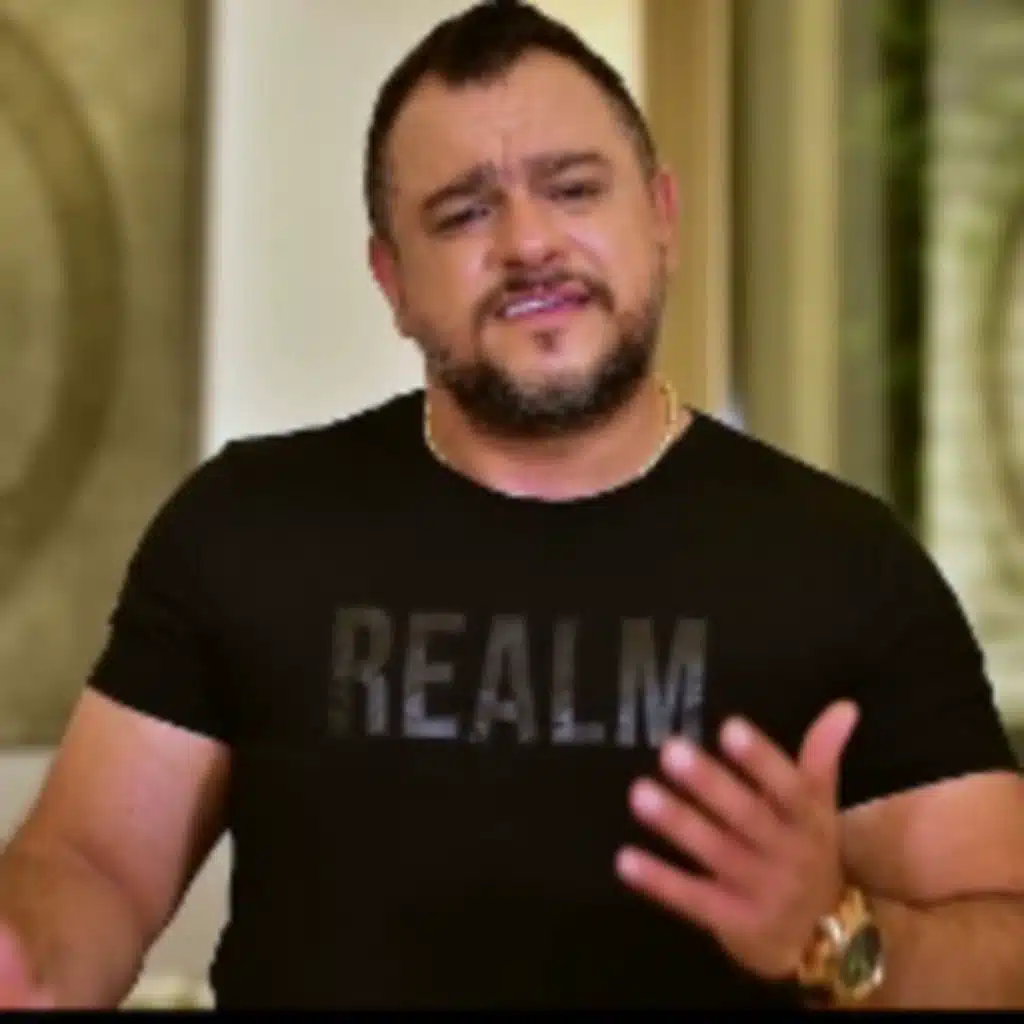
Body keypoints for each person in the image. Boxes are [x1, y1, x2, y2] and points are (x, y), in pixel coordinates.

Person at [2, 0, 1023, 1009]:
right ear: (393, 281)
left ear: (662, 218)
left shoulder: (842, 564)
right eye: (463, 213)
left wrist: (833, 932)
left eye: (573, 189)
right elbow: (93, 866)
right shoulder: (246, 527)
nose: (529, 242)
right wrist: (27, 957)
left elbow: (1006, 948)